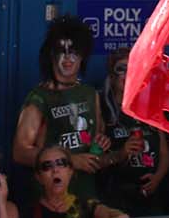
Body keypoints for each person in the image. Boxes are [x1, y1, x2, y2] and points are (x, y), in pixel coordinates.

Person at [14, 17, 109, 202]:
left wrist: (102, 142)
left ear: (83, 56)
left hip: (86, 193)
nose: (68, 58)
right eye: (61, 51)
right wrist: (71, 160)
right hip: (51, 199)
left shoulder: (90, 94)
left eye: (74, 51)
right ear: (51, 55)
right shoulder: (39, 97)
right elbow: (20, 152)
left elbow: (96, 138)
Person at [99, 47, 169, 215]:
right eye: (121, 69)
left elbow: (165, 153)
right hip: (116, 195)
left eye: (133, 68)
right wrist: (122, 153)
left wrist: (158, 177)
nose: (127, 73)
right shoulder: (102, 108)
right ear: (112, 75)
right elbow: (96, 159)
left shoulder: (149, 106)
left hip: (151, 197)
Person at [30, 145, 128, 218]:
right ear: (38, 177)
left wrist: (119, 216)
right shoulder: (29, 211)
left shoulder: (84, 205)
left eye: (61, 163)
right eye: (47, 166)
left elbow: (110, 213)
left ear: (70, 171)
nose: (55, 170)